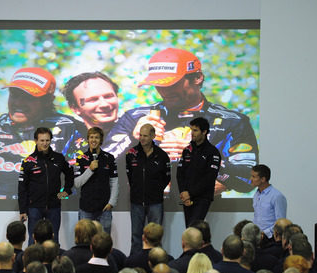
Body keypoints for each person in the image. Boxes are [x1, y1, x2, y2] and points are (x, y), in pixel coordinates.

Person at [102, 47, 258, 196]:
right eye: (158, 85)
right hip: (144, 209)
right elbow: (101, 168)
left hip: (207, 214)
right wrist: (132, 138)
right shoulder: (135, 118)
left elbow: (248, 179)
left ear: (197, 78)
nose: (164, 91)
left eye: (172, 84)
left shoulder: (233, 122)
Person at [0, 67, 86, 200]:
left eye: (28, 97)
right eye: (14, 94)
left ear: (48, 101)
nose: (18, 103)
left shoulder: (69, 128)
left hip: (49, 214)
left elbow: (86, 177)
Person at [18, 127, 74, 244]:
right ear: (36, 141)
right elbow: (22, 188)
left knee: (54, 240)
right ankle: (32, 262)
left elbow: (70, 173)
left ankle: (53, 262)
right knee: (33, 241)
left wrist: (67, 190)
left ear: (51, 140)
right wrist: (23, 210)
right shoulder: (28, 162)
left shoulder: (59, 158)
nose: (45, 143)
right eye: (42, 140)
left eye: (47, 140)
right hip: (34, 207)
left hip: (54, 206)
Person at [126, 123, 171, 253]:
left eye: (145, 135)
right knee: (136, 236)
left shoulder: (162, 155)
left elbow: (166, 178)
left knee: (155, 236)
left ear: (153, 136)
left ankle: (156, 262)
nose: (142, 138)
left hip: (155, 202)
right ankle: (135, 262)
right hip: (136, 201)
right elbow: (130, 176)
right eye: (140, 135)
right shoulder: (131, 154)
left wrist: (155, 190)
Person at [74, 127, 118, 234]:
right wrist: (90, 169)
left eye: (97, 137)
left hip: (104, 208)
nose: (94, 140)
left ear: (101, 140)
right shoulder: (80, 158)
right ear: (88, 139)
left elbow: (114, 182)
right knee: (84, 240)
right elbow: (76, 183)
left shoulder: (109, 158)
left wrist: (112, 202)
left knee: (103, 242)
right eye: (91, 137)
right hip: (86, 208)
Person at [177, 117, 221, 225]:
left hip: (202, 198)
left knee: (193, 228)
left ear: (204, 132)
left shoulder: (212, 152)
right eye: (191, 130)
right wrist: (183, 192)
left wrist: (190, 193)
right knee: (189, 230)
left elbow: (210, 178)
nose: (192, 133)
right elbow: (179, 173)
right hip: (187, 197)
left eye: (195, 130)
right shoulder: (187, 150)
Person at [63, 71, 120, 138]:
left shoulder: (133, 127)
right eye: (93, 100)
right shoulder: (69, 145)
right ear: (76, 108)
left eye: (108, 96)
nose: (104, 104)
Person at [251, 164, 287, 239]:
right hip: (257, 237)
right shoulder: (256, 194)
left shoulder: (277, 196)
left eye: (254, 177)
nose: (251, 179)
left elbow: (281, 222)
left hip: (271, 238)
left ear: (263, 179)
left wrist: (265, 233)